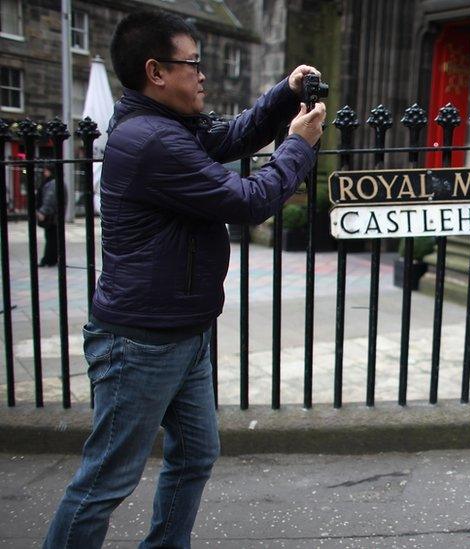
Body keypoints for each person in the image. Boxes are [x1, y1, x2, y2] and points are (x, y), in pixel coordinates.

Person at [44, 10, 325, 548]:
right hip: (141, 342)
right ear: (156, 71)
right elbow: (247, 200)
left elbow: (234, 136)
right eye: (191, 63)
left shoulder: (171, 127)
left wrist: (284, 95)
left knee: (195, 455)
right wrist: (297, 146)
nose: (201, 74)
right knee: (105, 482)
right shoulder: (153, 141)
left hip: (184, 333)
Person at [36, 165, 61, 267]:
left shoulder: (53, 183)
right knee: (53, 237)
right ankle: (52, 258)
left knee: (51, 238)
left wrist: (43, 212)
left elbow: (49, 199)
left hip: (51, 216)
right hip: (55, 215)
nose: (44, 173)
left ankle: (48, 259)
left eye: (46, 171)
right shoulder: (56, 182)